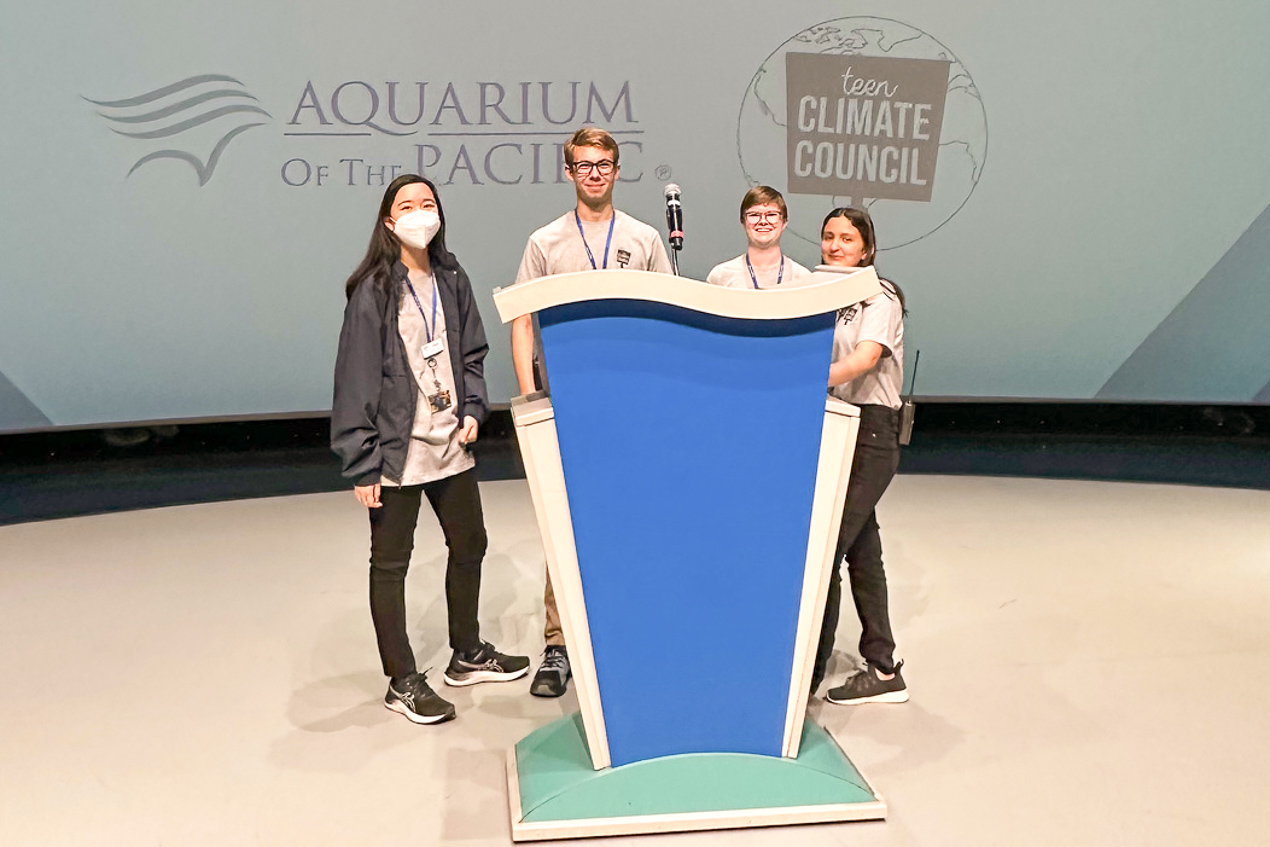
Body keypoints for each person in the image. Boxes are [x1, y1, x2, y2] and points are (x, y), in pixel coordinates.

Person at [332, 174, 528, 725]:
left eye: (428, 203)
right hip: (396, 450)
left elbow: (471, 351)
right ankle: (402, 679)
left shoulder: (450, 274)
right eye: (407, 206)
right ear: (389, 222)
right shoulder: (373, 288)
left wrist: (473, 407)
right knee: (391, 565)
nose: (421, 213)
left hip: (451, 442)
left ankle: (465, 653)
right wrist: (361, 460)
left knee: (471, 544)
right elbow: (355, 379)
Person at [511, 126, 674, 697]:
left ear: (618, 168)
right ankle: (558, 647)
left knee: (635, 520)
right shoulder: (545, 242)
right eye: (584, 165)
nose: (595, 173)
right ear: (569, 171)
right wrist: (531, 396)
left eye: (604, 163)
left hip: (633, 405)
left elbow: (668, 317)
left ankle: (628, 635)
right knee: (567, 523)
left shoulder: (646, 237)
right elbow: (522, 321)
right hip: (568, 404)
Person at [811, 206, 910, 705]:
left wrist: (803, 379)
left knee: (825, 547)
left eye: (846, 238)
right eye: (828, 237)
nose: (835, 246)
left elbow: (862, 360)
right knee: (862, 551)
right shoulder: (818, 290)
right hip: (831, 427)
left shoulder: (880, 296)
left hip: (871, 433)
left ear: (866, 248)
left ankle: (808, 670)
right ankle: (884, 668)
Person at [705, 186, 809, 289]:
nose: (763, 221)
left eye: (771, 215)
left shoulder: (804, 278)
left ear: (784, 222)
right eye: (754, 215)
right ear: (743, 222)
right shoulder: (720, 277)